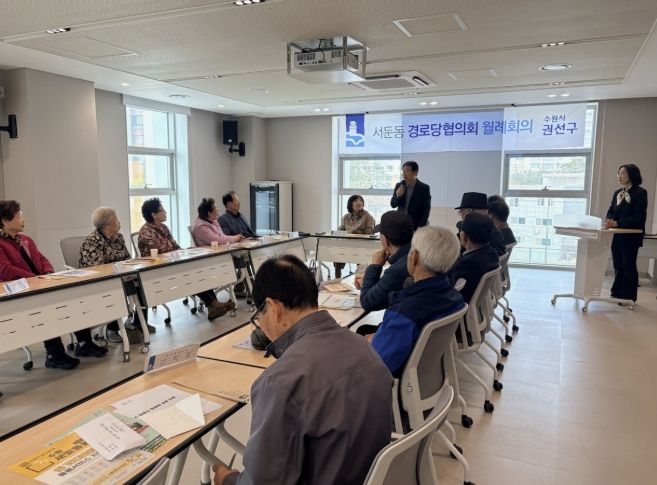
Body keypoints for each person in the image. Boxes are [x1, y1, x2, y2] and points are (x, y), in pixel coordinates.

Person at [212, 254, 392, 485]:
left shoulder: (280, 383)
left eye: (259, 317)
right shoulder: (364, 347)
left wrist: (227, 480)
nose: (262, 327)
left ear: (273, 308)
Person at [0, 200, 106, 370]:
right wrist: (35, 279)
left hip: (39, 284)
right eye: (18, 216)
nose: (23, 219)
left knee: (72, 299)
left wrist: (48, 273)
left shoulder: (25, 240)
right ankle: (53, 354)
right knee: (46, 307)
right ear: (5, 221)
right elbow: (6, 270)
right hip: (19, 292)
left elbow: (42, 258)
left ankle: (84, 343)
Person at [368, 226, 465, 378]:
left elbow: (377, 365)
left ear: (414, 257)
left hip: (395, 380)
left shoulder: (405, 313)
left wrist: (369, 344)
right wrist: (382, 336)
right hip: (428, 375)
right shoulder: (455, 298)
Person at [138, 198, 234, 320]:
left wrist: (187, 251)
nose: (165, 212)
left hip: (173, 265)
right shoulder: (146, 232)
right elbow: (157, 256)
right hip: (159, 271)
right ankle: (213, 305)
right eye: (162, 210)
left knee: (198, 269)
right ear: (153, 214)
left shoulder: (164, 228)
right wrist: (177, 254)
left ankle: (212, 306)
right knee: (191, 274)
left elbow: (175, 247)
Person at [79, 207, 153, 337]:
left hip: (120, 275)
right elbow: (97, 268)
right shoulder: (92, 241)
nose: (119, 222)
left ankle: (139, 323)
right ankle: (111, 329)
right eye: (116, 220)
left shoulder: (119, 237)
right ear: (107, 225)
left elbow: (126, 259)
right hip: (99, 280)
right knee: (115, 288)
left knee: (142, 282)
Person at [604, 164, 648, 302]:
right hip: (616, 235)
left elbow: (638, 217)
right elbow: (611, 210)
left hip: (630, 236)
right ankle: (617, 293)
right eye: (618, 173)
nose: (619, 176)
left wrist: (617, 223)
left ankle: (629, 297)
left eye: (622, 173)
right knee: (617, 265)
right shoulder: (617, 192)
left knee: (628, 265)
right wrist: (609, 220)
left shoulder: (640, 192)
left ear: (632, 174)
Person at [356, 211, 414, 312]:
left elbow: (367, 302)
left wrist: (375, 266)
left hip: (401, 320)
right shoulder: (415, 255)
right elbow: (388, 291)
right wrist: (367, 283)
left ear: (386, 240)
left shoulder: (398, 270)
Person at [448, 212, 500, 305]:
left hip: (458, 307)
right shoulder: (492, 254)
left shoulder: (467, 263)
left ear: (464, 236)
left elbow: (449, 287)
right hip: (476, 305)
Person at [334, 194, 375, 279]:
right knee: (337, 253)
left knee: (360, 258)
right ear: (351, 204)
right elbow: (340, 230)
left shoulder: (368, 216)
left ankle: (360, 280)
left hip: (362, 245)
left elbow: (369, 232)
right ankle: (337, 279)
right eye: (356, 201)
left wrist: (352, 232)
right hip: (347, 245)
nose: (359, 202)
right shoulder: (346, 217)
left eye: (361, 201)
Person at [455, 192, 506, 256]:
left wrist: (464, 246)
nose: (461, 217)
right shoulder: (491, 229)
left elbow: (464, 258)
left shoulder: (478, 232)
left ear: (469, 212)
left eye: (461, 212)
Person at [390, 161, 431, 230]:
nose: (404, 174)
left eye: (408, 171)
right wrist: (397, 196)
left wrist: (421, 227)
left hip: (415, 224)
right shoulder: (399, 185)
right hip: (400, 224)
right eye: (403, 171)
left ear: (415, 173)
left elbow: (426, 210)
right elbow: (393, 205)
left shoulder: (424, 188)